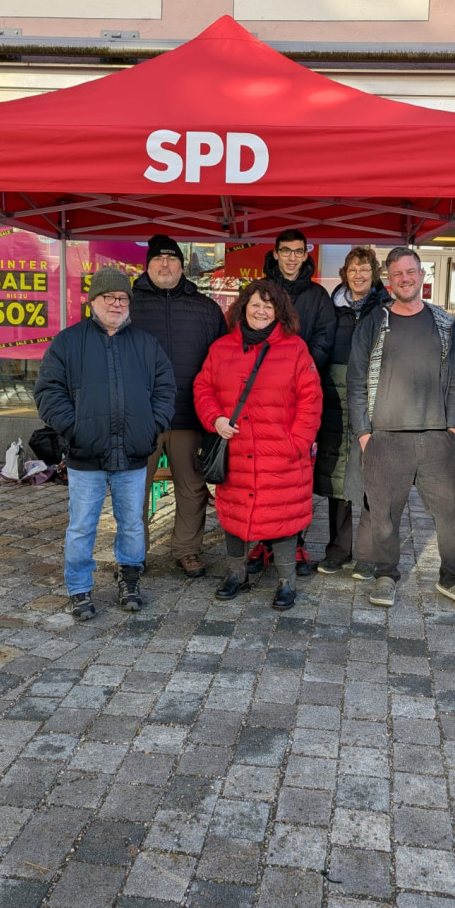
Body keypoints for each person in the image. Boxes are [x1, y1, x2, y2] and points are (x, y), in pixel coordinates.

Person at [346, 246, 455, 611]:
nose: (404, 279)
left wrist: (453, 431)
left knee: (452, 512)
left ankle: (453, 578)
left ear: (422, 276)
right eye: (397, 274)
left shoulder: (446, 325)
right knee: (383, 516)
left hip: (436, 438)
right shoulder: (373, 324)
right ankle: (385, 575)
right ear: (389, 281)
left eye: (410, 272)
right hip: (384, 439)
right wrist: (364, 434)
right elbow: (356, 382)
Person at [34, 267, 176, 620]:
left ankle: (130, 579)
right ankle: (79, 587)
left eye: (122, 297)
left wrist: (151, 427)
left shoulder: (146, 344)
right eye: (108, 297)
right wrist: (75, 429)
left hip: (133, 453)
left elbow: (165, 389)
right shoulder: (67, 342)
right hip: (86, 454)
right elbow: (48, 392)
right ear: (92, 301)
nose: (116, 303)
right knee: (82, 525)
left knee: (132, 523)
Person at [193, 279, 322, 612]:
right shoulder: (221, 348)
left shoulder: (295, 349)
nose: (261, 311)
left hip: (280, 454)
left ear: (278, 312)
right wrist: (215, 419)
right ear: (243, 308)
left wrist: (296, 444)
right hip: (236, 451)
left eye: (268, 305)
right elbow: (203, 388)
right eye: (255, 304)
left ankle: (286, 581)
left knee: (283, 519)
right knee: (234, 516)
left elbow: (311, 399)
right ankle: (236, 574)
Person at [131, 234, 227, 579]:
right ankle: (132, 553)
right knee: (133, 489)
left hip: (189, 413)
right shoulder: (127, 305)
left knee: (192, 488)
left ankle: (187, 549)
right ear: (148, 265)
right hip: (140, 417)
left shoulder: (206, 309)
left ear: (182, 266)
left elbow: (221, 363)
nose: (165, 264)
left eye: (172, 259)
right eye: (159, 259)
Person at [248, 229, 336, 576]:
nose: (292, 257)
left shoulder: (317, 296)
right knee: (261, 473)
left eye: (298, 251)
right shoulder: (260, 290)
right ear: (275, 252)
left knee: (297, 474)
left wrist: (296, 371)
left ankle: (294, 542)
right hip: (262, 398)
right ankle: (263, 540)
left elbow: (324, 341)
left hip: (301, 396)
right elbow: (246, 333)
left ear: (305, 254)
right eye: (286, 251)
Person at [313, 246, 390, 579]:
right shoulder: (333, 309)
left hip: (373, 397)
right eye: (353, 270)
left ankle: (368, 554)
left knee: (372, 472)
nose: (359, 275)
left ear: (374, 274)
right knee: (338, 475)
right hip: (335, 398)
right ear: (345, 274)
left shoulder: (386, 310)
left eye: (365, 269)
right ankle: (337, 550)